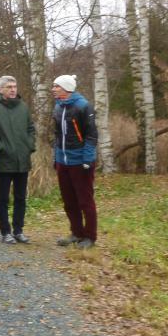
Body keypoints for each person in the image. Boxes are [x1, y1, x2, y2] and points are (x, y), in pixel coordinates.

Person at [0, 75, 36, 245]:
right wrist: (0, 147)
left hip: (23, 160)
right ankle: (5, 231)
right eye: (8, 87)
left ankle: (18, 230)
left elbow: (30, 129)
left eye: (14, 86)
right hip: (4, 161)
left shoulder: (23, 107)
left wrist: (29, 145)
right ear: (0, 89)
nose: (12, 89)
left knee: (21, 197)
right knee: (3, 198)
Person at [51, 74, 98, 249]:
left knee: (85, 201)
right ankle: (76, 233)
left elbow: (92, 135)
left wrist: (87, 158)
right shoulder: (58, 107)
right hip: (63, 161)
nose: (53, 89)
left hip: (80, 161)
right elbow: (57, 136)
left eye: (56, 86)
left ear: (67, 88)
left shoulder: (83, 106)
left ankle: (90, 237)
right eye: (53, 86)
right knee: (69, 201)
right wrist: (56, 157)